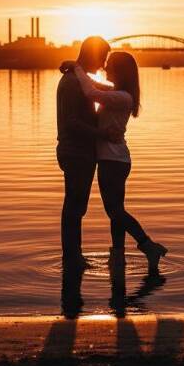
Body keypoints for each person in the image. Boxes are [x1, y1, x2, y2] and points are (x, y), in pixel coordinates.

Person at [67, 51, 168, 275]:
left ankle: (148, 246)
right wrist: (79, 70)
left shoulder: (121, 97)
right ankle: (118, 258)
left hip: (112, 160)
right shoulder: (118, 93)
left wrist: (77, 68)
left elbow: (90, 91)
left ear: (120, 71)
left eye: (110, 65)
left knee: (114, 212)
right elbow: (94, 85)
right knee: (117, 211)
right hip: (115, 159)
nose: (105, 69)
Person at [56, 36, 121, 269]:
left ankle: (73, 257)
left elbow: (98, 91)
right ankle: (72, 258)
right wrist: (103, 133)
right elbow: (72, 122)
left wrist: (122, 92)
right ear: (93, 55)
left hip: (79, 151)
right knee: (74, 206)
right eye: (103, 58)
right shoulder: (73, 82)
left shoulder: (77, 78)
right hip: (76, 152)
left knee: (76, 206)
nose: (103, 65)